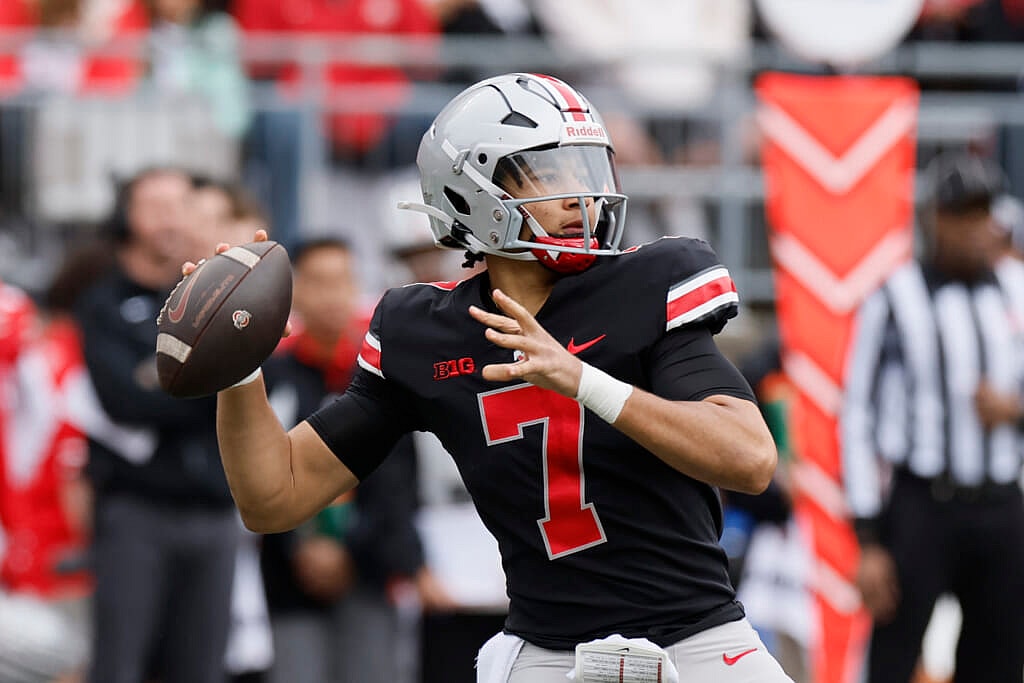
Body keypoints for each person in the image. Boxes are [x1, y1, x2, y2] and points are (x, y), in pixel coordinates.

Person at [201, 73, 788, 682]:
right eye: (547, 174)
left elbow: (748, 457)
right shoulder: (423, 332)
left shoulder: (647, 284)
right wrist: (237, 367)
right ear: (468, 192)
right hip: (545, 654)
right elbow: (275, 495)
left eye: (585, 171)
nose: (577, 197)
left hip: (696, 642)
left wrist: (583, 380)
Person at [841, 151, 1024, 683]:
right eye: (960, 215)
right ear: (934, 218)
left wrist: (1013, 409)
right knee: (894, 659)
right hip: (922, 505)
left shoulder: (1016, 286)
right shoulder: (894, 296)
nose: (973, 229)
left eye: (981, 214)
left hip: (1002, 503)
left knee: (999, 660)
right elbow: (856, 415)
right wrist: (868, 538)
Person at [75, 167, 240, 683]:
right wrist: (201, 385)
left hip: (214, 512)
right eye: (155, 205)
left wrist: (164, 380)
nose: (171, 218)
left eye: (182, 204)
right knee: (120, 664)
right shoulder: (103, 302)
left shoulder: (219, 291)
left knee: (202, 667)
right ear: (127, 216)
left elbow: (246, 383)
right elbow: (122, 401)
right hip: (135, 512)